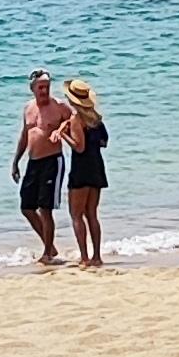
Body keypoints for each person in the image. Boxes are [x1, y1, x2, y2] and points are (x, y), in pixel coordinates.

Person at [11, 70, 70, 265]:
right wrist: (16, 161)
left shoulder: (59, 106)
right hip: (33, 162)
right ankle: (49, 244)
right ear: (33, 89)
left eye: (47, 87)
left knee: (45, 209)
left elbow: (75, 122)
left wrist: (62, 131)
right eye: (41, 87)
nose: (44, 91)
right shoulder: (28, 108)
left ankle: (47, 253)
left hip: (53, 161)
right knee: (27, 207)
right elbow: (24, 135)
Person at [62, 78, 108, 267]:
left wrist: (63, 134)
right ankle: (97, 256)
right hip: (97, 166)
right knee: (92, 214)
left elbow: (78, 148)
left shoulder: (76, 119)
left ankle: (84, 257)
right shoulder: (96, 119)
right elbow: (104, 142)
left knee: (76, 214)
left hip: (81, 168)